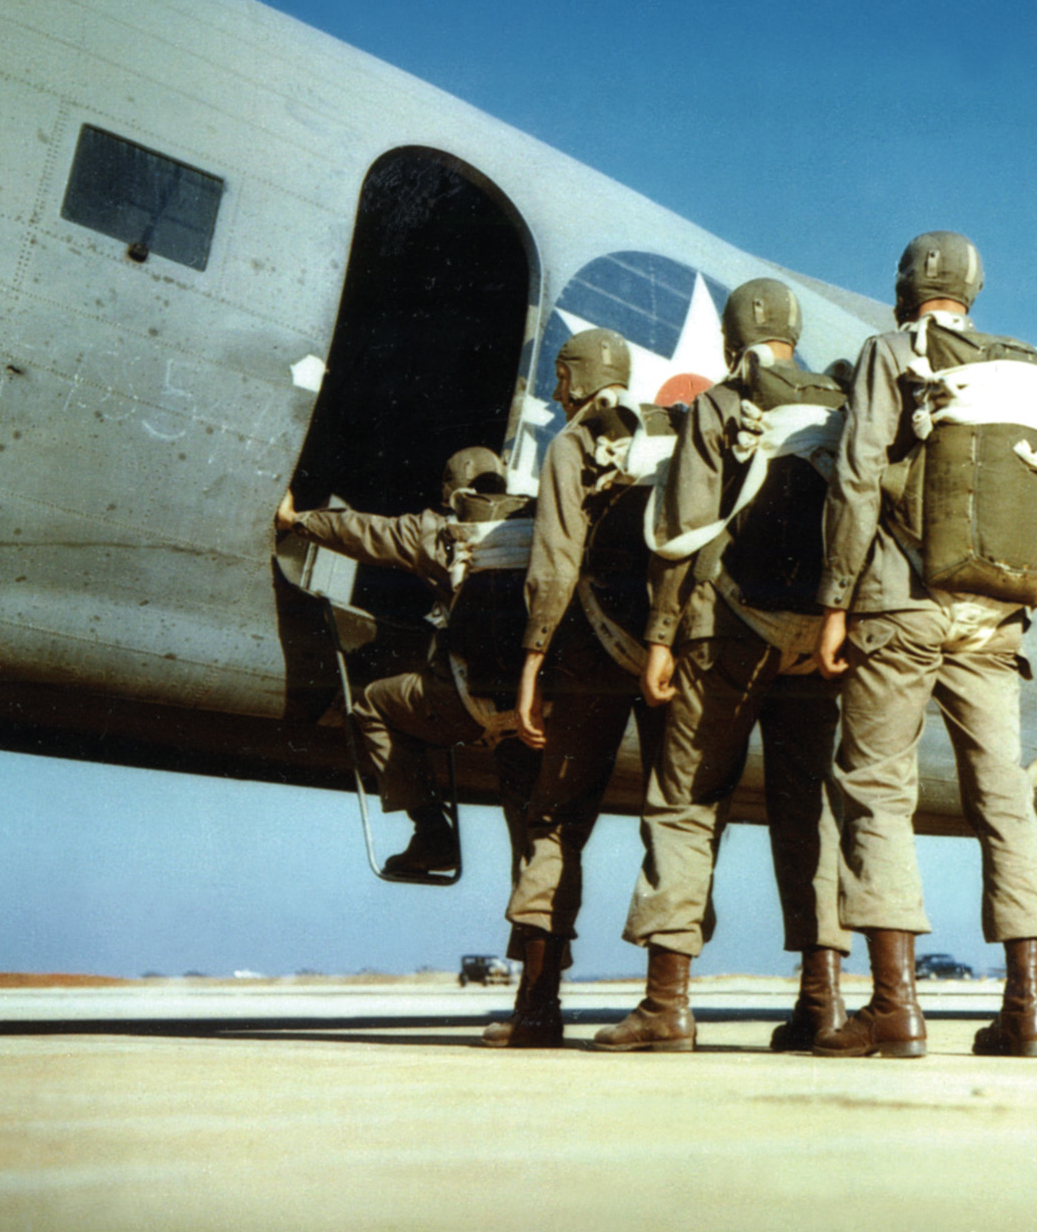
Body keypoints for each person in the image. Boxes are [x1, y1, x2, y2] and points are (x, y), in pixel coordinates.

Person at [812, 231, 1037, 1059]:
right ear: (973, 290)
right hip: (995, 612)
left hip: (904, 597)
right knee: (1004, 796)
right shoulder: (1020, 367)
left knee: (878, 789)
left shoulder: (891, 353)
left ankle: (894, 1008)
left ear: (903, 288)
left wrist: (836, 600)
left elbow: (856, 477)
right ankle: (1027, 1009)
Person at [594, 279, 850, 1054]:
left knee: (685, 800)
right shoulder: (839, 407)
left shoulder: (720, 403)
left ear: (733, 334)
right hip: (818, 638)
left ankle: (667, 1003)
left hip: (727, 630)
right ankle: (825, 1002)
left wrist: (663, 636)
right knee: (808, 812)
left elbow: (682, 526)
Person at [486, 326, 673, 1049]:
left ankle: (538, 1007)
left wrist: (535, 655)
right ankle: (666, 1001)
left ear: (573, 378)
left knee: (555, 820)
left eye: (560, 379)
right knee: (676, 817)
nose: (555, 392)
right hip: (666, 649)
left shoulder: (575, 440)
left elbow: (557, 560)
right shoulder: (672, 433)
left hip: (592, 652)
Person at [276, 446, 529, 878]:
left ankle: (431, 833)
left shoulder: (438, 530)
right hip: (539, 710)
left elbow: (366, 532)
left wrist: (296, 520)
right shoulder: (546, 525)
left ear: (450, 490)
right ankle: (543, 933)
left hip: (467, 703)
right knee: (534, 848)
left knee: (373, 705)